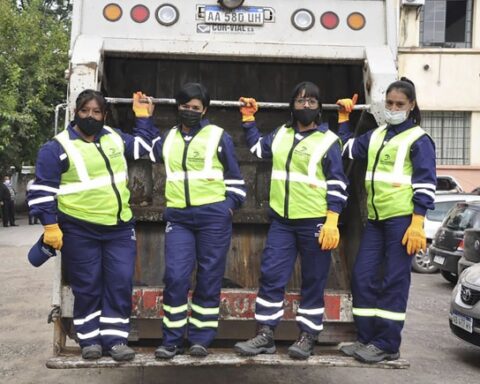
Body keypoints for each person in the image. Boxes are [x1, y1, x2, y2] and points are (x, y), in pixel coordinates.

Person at [27, 89, 157, 361]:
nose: (90, 116)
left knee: (120, 282)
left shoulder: (113, 137)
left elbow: (142, 148)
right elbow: (41, 193)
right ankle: (89, 341)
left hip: (119, 228)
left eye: (96, 112)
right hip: (79, 229)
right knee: (88, 285)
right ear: (75, 113)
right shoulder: (57, 147)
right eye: (85, 111)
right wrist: (50, 227)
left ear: (104, 115)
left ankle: (116, 340)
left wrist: (143, 117)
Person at [233, 81, 349, 360]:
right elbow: (259, 150)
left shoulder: (328, 140)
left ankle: (308, 336)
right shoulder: (281, 134)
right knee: (271, 275)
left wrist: (332, 219)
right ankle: (265, 334)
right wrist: (249, 119)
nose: (305, 106)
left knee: (313, 280)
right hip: (282, 222)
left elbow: (337, 183)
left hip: (315, 222)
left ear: (320, 107)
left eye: (311, 102)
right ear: (292, 105)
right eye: (300, 101)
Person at [338, 78, 436, 363]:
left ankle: (387, 344)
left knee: (393, 281)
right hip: (377, 221)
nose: (393, 108)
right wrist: (345, 119)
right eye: (389, 103)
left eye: (399, 104)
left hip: (401, 222)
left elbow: (425, 184)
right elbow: (346, 149)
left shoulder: (419, 140)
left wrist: (418, 222)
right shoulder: (378, 135)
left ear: (411, 106)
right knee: (362, 277)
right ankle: (366, 339)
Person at [150, 83, 246, 359]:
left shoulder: (218, 136)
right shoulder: (168, 137)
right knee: (176, 277)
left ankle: (200, 339)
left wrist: (227, 207)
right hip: (179, 218)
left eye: (195, 107)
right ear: (177, 107)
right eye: (185, 106)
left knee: (208, 278)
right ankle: (172, 339)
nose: (189, 111)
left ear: (204, 110)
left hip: (213, 218)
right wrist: (144, 119)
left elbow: (235, 179)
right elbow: (145, 149)